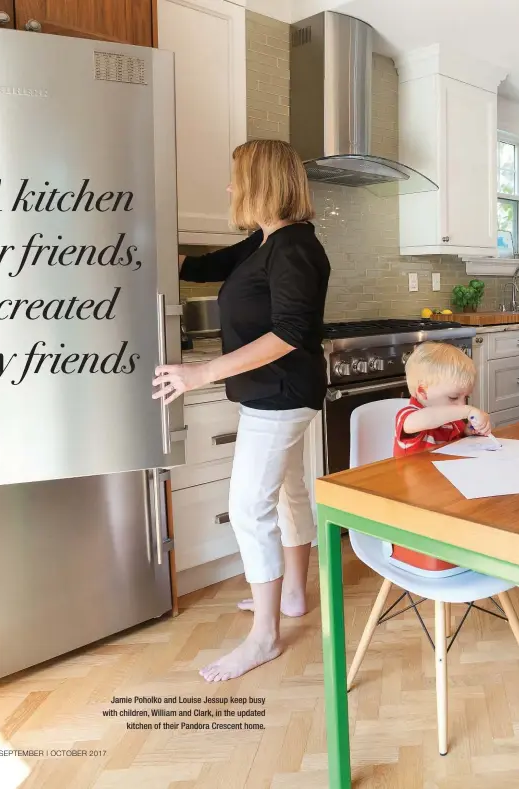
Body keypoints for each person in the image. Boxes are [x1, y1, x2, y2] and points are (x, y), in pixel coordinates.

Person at [152, 139, 330, 682]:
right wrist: (147, 242)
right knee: (290, 493)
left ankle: (265, 637)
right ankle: (294, 596)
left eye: (236, 178)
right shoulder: (264, 241)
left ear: (261, 183)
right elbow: (203, 266)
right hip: (283, 393)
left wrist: (200, 373)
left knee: (250, 507)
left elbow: (291, 333)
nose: (229, 189)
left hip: (278, 395)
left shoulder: (294, 247)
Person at [391, 341, 491, 574]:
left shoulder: (451, 421)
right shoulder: (409, 416)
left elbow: (451, 444)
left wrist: (468, 432)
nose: (462, 404)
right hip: (415, 519)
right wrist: (465, 412)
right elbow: (419, 422)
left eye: (465, 398)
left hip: (446, 505)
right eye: (454, 397)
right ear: (422, 392)